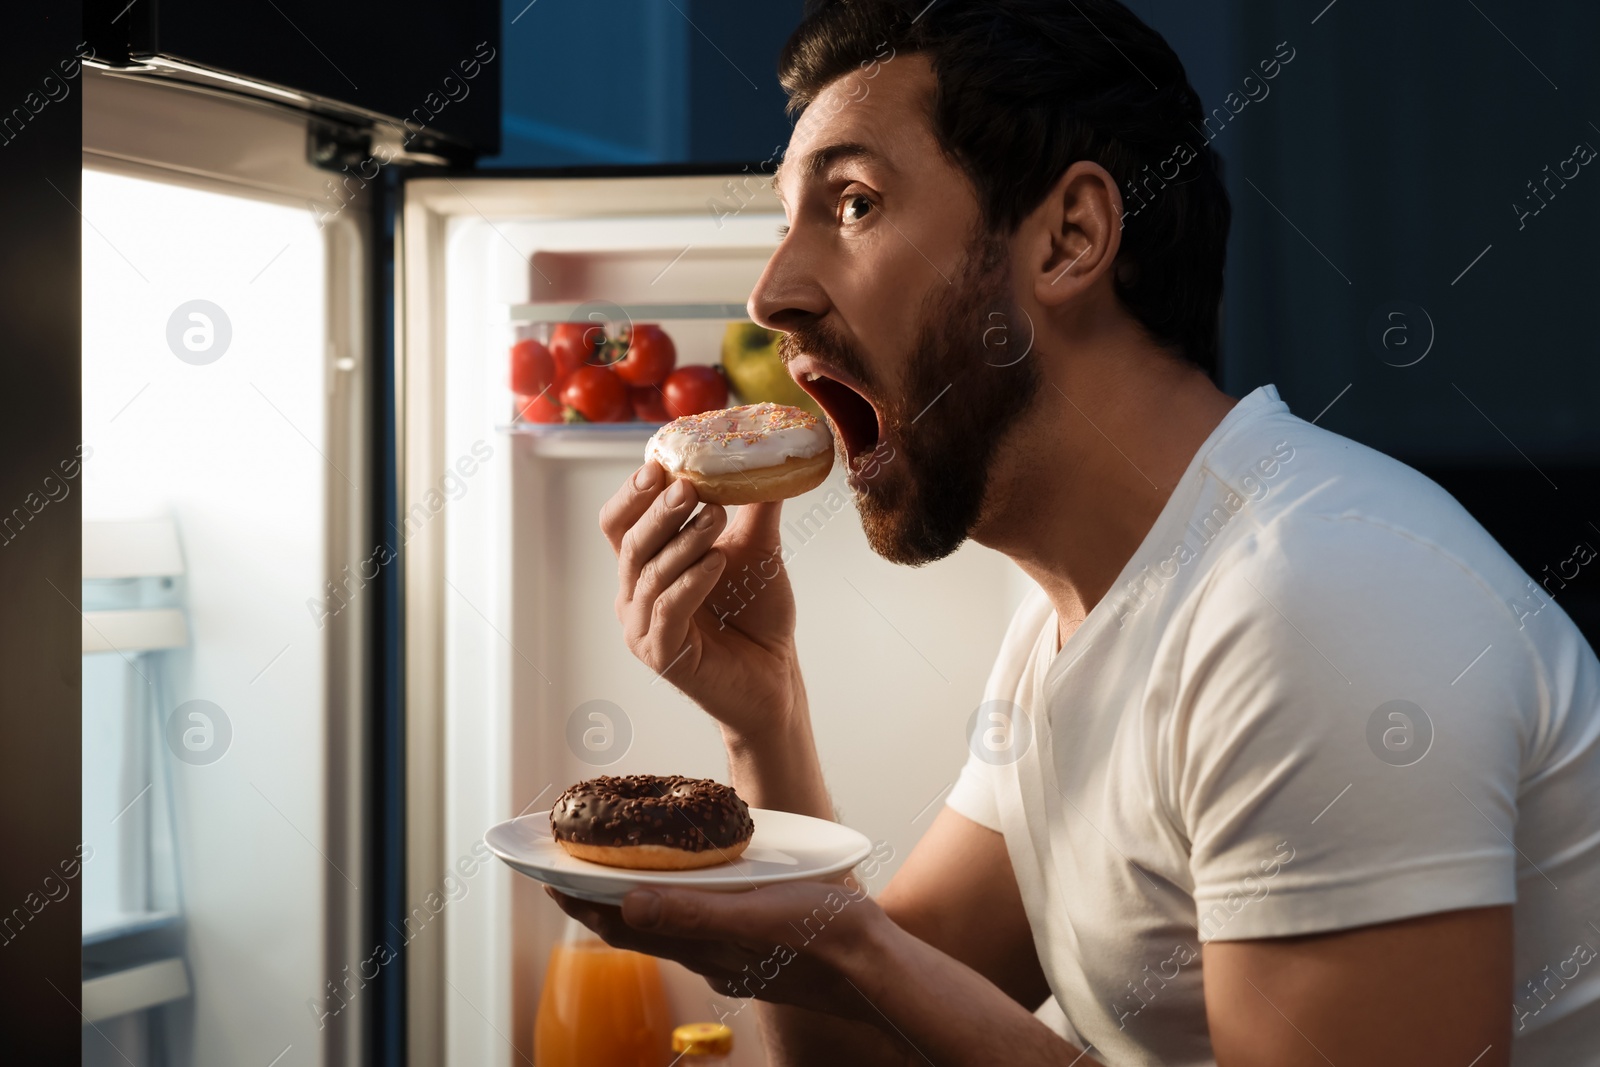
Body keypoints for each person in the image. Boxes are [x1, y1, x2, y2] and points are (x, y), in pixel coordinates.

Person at [554, 1, 1600, 1063]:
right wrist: (765, 714)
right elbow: (862, 1049)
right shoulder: (1074, 626)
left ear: (1070, 238)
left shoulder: (1320, 593)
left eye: (854, 203)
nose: (771, 293)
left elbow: (879, 975)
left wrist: (870, 952)